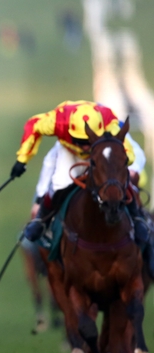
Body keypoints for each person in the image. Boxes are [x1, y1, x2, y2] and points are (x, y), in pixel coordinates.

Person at [10, 100, 147, 245]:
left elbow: (127, 150)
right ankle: (41, 220)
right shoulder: (58, 121)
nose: (86, 147)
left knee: (116, 179)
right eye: (80, 141)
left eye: (89, 141)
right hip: (70, 152)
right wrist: (22, 160)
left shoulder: (109, 122)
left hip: (99, 152)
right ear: (70, 131)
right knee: (59, 183)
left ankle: (137, 218)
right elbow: (33, 125)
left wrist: (122, 163)